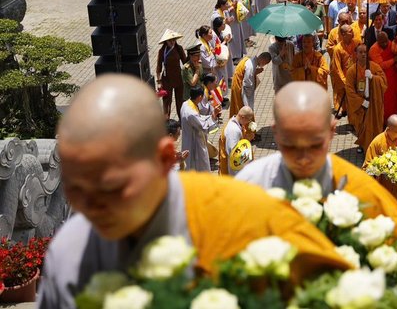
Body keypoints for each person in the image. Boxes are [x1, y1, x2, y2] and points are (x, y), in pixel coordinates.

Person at [37, 75, 347, 307]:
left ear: (164, 158)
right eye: (75, 188)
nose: (92, 207)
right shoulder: (68, 252)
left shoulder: (241, 220)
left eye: (113, 188)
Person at [236, 82, 397, 308]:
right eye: (291, 144)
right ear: (276, 132)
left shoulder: (361, 191)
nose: (304, 157)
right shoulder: (251, 184)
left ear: (332, 130)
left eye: (315, 144)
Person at [346, 43, 388, 152]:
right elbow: (349, 90)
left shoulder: (374, 66)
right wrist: (362, 102)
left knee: (375, 124)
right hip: (360, 104)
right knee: (361, 126)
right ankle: (362, 145)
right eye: (360, 52)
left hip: (374, 102)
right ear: (356, 54)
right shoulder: (352, 71)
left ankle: (376, 146)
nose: (363, 54)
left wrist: (373, 78)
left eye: (365, 52)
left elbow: (384, 82)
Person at [180, 85, 221, 172]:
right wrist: (213, 116)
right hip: (194, 141)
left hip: (189, 137)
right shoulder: (191, 113)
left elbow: (199, 118)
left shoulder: (186, 104)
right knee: (199, 164)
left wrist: (212, 114)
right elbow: (203, 126)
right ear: (199, 97)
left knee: (191, 164)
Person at [368, 31, 397, 119]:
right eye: (382, 43)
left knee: (395, 97)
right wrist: (394, 59)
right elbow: (381, 65)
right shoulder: (373, 49)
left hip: (393, 76)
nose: (385, 44)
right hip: (381, 78)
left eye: (386, 41)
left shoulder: (390, 44)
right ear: (377, 41)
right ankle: (384, 118)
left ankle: (394, 116)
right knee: (385, 99)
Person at [155, 29, 187, 118]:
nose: (172, 42)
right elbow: (158, 68)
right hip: (167, 79)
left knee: (180, 101)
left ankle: (182, 120)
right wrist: (159, 82)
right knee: (167, 102)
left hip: (178, 78)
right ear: (166, 41)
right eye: (170, 40)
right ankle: (167, 122)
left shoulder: (179, 48)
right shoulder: (162, 51)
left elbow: (185, 62)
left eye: (174, 40)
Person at [229, 52, 271, 118]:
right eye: (265, 63)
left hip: (237, 85)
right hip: (239, 88)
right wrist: (249, 98)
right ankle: (245, 126)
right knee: (242, 108)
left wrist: (255, 72)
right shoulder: (251, 66)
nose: (263, 65)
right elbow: (247, 83)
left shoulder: (249, 59)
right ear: (263, 60)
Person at [219, 106, 256, 176]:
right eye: (248, 120)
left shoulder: (235, 122)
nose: (248, 122)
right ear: (242, 117)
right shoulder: (233, 131)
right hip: (235, 170)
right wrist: (247, 140)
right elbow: (234, 153)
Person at [330, 23, 357, 117]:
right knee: (343, 96)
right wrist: (345, 81)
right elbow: (337, 68)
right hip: (345, 78)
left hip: (356, 76)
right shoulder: (338, 49)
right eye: (350, 31)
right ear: (343, 34)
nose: (353, 32)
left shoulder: (356, 43)